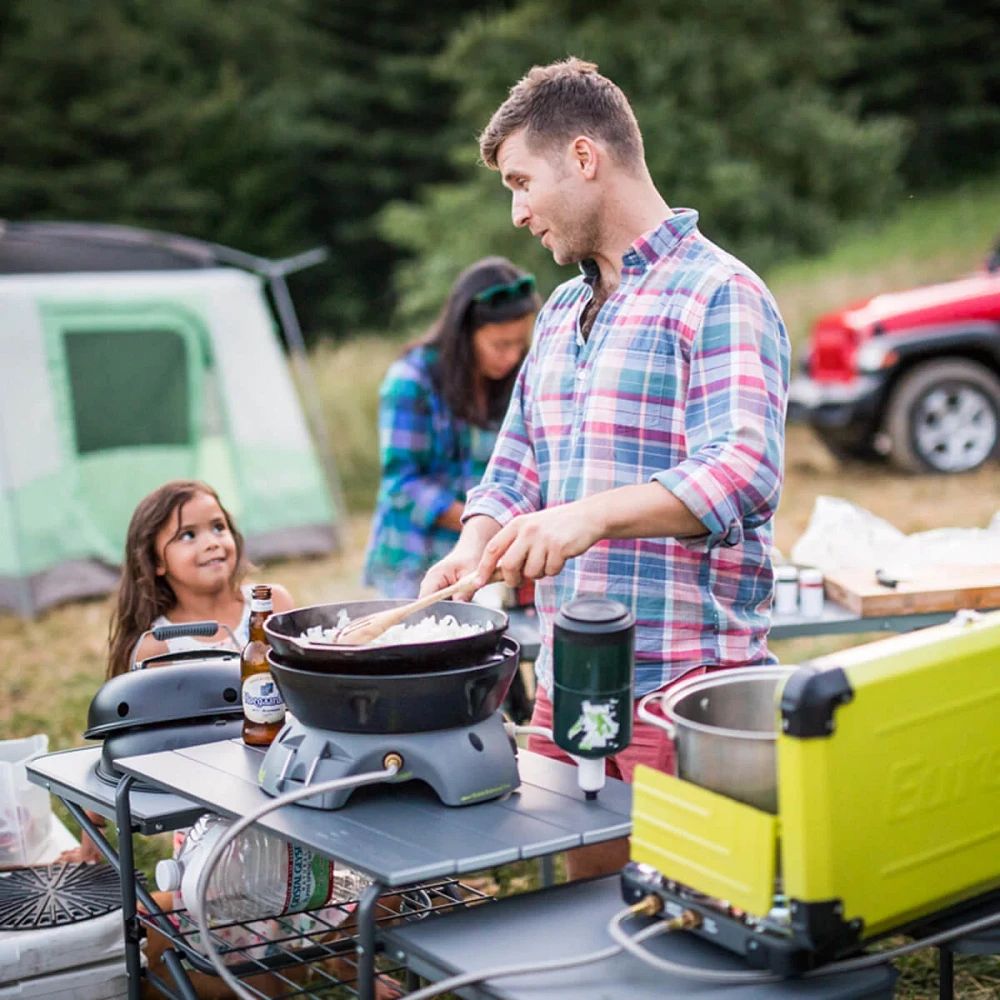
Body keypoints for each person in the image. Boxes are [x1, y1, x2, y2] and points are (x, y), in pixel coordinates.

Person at [421, 58, 790, 879]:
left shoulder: (719, 292)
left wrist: (586, 516)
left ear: (585, 158)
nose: (516, 213)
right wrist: (474, 542)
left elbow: (746, 466)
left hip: (688, 689)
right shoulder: (557, 312)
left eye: (522, 182)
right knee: (585, 929)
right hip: (567, 681)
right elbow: (514, 466)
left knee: (695, 932)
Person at [61, 480, 293, 864]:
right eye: (188, 535)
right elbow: (120, 745)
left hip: (282, 782)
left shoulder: (270, 604)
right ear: (155, 561)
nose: (212, 541)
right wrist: (92, 845)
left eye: (218, 527)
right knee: (223, 906)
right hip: (208, 811)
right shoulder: (159, 645)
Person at [363, 257, 539, 598]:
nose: (512, 356)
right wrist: (481, 522)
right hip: (413, 556)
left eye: (520, 344)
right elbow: (402, 484)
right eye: (500, 345)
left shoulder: (514, 381)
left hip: (480, 555)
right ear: (465, 334)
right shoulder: (411, 380)